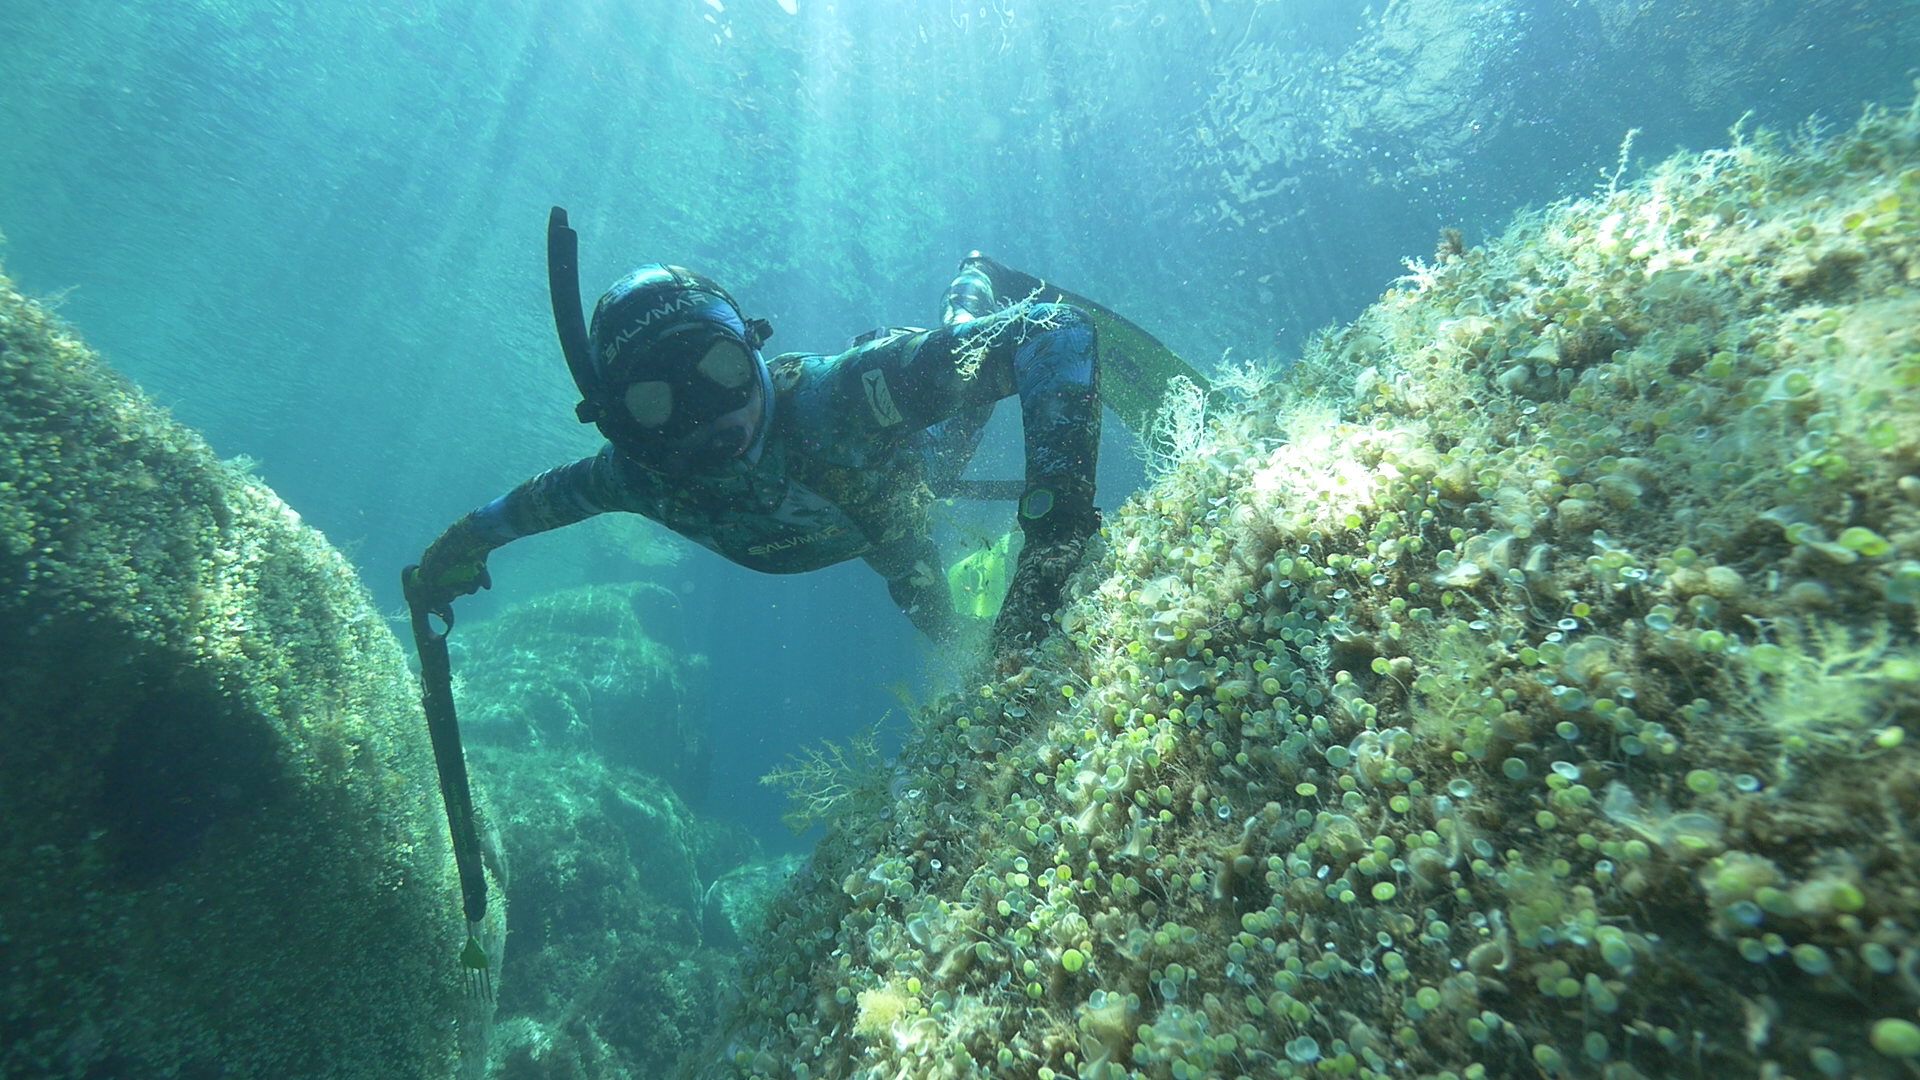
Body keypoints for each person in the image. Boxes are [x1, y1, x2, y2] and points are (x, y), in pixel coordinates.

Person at [406, 231, 1101, 655]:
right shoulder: (636, 474)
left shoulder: (841, 400)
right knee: (934, 615)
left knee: (959, 369)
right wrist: (453, 553)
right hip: (889, 538)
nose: (710, 417)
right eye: (659, 404)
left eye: (720, 370)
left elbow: (1053, 331)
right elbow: (522, 509)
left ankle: (976, 276)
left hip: (918, 460)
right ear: (624, 425)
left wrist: (1054, 532)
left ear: (753, 348)